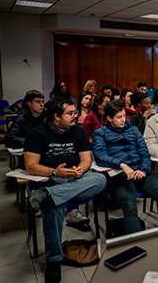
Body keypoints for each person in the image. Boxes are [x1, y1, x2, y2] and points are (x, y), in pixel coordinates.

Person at [24, 97, 106, 283]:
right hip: (49, 179)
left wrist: (81, 169)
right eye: (70, 113)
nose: (75, 116)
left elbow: (86, 159)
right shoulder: (38, 133)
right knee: (54, 207)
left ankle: (49, 196)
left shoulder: (78, 132)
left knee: (99, 179)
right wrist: (54, 172)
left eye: (75, 112)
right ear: (56, 115)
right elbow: (31, 165)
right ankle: (54, 261)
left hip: (74, 179)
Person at [92, 101, 158, 233]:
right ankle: (138, 244)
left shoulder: (133, 130)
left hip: (140, 171)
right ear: (109, 118)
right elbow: (100, 156)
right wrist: (122, 165)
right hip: (119, 175)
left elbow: (144, 153)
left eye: (124, 116)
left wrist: (144, 169)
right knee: (129, 206)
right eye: (119, 117)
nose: (123, 120)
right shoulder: (100, 133)